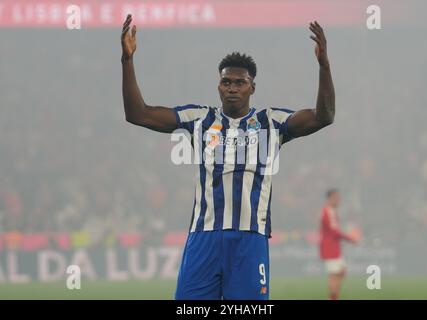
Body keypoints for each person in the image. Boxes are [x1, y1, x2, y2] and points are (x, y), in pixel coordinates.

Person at [121, 14, 335, 300]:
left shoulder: (272, 122)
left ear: (252, 87)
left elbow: (325, 116)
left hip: (250, 239)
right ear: (219, 86)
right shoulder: (199, 118)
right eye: (226, 82)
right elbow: (138, 114)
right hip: (204, 238)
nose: (233, 87)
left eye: (240, 82)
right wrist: (127, 60)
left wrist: (323, 65)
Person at [319, 189, 361, 300]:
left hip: (334, 248)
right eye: (336, 197)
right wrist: (350, 238)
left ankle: (333, 297)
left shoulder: (331, 211)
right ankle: (333, 298)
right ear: (330, 198)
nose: (338, 200)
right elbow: (334, 231)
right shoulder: (327, 212)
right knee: (334, 275)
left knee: (341, 272)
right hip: (329, 248)